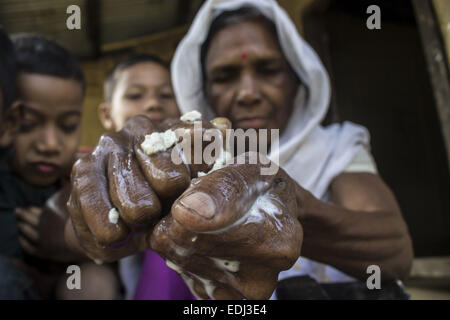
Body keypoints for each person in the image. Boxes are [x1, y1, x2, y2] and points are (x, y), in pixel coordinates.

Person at [65, 0, 413, 300]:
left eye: (268, 70)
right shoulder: (192, 153)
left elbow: (395, 251)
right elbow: (81, 234)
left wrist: (293, 206)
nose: (248, 92)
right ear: (205, 90)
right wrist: (105, 205)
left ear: (297, 78)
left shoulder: (335, 146)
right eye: (226, 75)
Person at [0, 34, 118, 299]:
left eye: (67, 126)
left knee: (94, 280)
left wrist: (71, 243)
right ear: (6, 119)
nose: (50, 144)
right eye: (28, 124)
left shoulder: (88, 173)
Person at [98, 54, 185, 299]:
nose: (153, 104)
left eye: (166, 95)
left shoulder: (198, 165)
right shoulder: (97, 167)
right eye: (135, 95)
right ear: (106, 114)